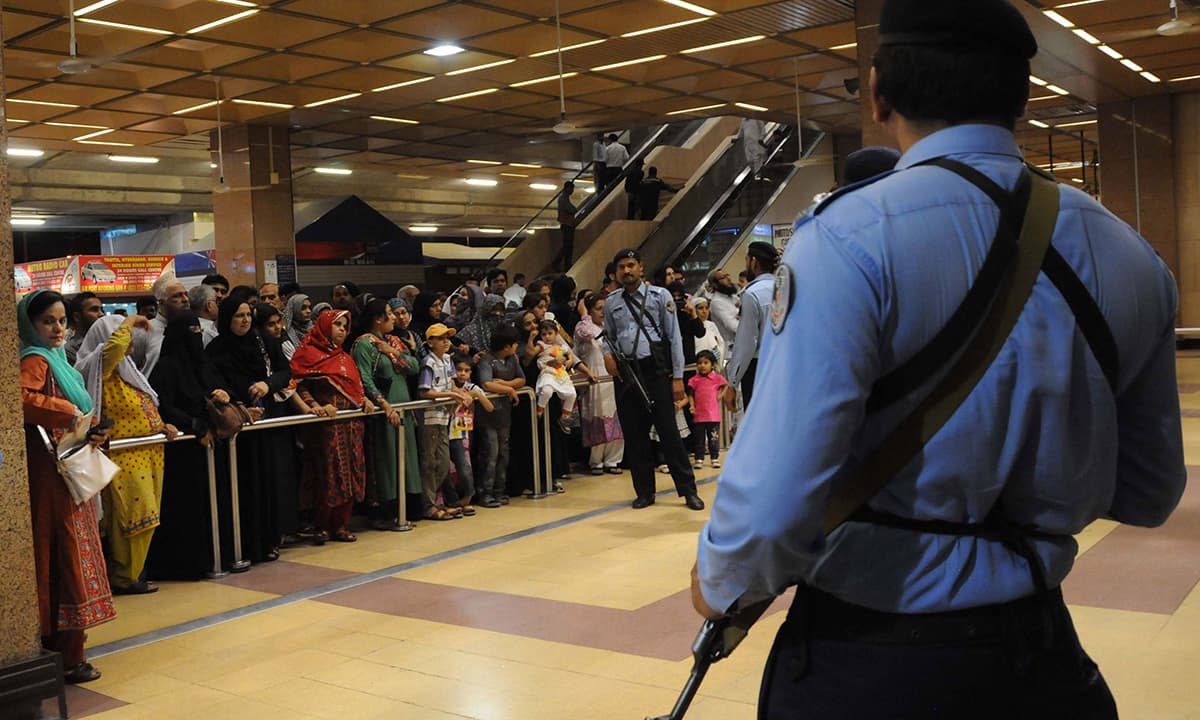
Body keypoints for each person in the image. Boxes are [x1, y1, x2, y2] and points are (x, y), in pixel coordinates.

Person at [693, 1, 1185, 717]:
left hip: (871, 656)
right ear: (1021, 96)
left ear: (877, 93)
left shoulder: (846, 237)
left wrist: (722, 585)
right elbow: (1150, 490)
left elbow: (773, 501)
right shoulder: (1130, 254)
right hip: (1042, 655)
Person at [19, 290, 115, 684]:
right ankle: (66, 653)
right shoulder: (36, 360)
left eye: (61, 321)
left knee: (71, 550)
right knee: (62, 553)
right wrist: (73, 412)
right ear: (30, 325)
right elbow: (22, 399)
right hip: (51, 475)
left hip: (66, 472)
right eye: (47, 321)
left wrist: (92, 429)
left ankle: (71, 649)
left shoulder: (60, 362)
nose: (58, 328)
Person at [74, 314, 175, 594]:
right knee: (133, 519)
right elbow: (114, 347)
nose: (130, 344)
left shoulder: (126, 371)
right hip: (123, 458)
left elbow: (146, 403)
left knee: (147, 518)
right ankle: (123, 577)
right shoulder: (98, 367)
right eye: (125, 337)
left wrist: (161, 425)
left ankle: (134, 573)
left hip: (147, 455)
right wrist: (130, 320)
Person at [602, 248, 703, 511]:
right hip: (626, 374)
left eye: (631, 265)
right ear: (617, 272)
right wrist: (607, 356)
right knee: (635, 437)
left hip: (655, 371)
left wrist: (678, 376)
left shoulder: (660, 296)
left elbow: (674, 338)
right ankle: (644, 492)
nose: (627, 270)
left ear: (641, 268)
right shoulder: (612, 301)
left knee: (669, 433)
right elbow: (608, 337)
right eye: (622, 266)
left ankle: (688, 490)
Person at [206, 299, 299, 562]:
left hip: (265, 421)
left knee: (268, 479)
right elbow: (214, 382)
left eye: (248, 315)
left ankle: (269, 539)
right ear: (226, 319)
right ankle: (243, 543)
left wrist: (267, 385)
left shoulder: (262, 341)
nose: (245, 320)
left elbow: (285, 370)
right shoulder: (216, 348)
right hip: (237, 424)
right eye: (238, 316)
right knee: (243, 483)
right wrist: (237, 399)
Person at [146, 311, 233, 581]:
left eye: (199, 330)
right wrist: (195, 426)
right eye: (190, 331)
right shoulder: (167, 367)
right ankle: (188, 563)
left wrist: (223, 393)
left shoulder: (204, 363)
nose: (196, 336)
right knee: (188, 507)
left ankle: (216, 555)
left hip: (211, 445)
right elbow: (165, 405)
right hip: (184, 451)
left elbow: (219, 386)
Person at [290, 309, 375, 543]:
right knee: (327, 473)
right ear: (325, 326)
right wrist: (315, 406)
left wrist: (364, 400)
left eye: (345, 326)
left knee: (351, 472)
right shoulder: (308, 354)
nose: (342, 330)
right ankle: (322, 525)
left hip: (351, 425)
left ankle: (341, 524)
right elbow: (298, 385)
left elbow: (355, 389)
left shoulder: (344, 358)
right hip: (325, 427)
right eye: (337, 324)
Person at [351, 298, 413, 531]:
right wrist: (384, 404)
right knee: (383, 461)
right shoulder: (363, 344)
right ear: (378, 319)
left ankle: (405, 507)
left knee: (403, 460)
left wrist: (393, 353)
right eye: (390, 313)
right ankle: (381, 511)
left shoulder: (393, 340)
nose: (395, 317)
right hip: (381, 413)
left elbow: (414, 366)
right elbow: (364, 379)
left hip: (404, 409)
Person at [417, 323, 470, 520]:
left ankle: (438, 501)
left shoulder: (448, 360)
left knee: (443, 462)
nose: (446, 341)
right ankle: (428, 505)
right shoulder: (428, 363)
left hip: (445, 417)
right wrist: (450, 394)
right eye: (440, 338)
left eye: (447, 337)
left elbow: (452, 383)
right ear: (430, 342)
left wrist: (460, 392)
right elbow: (425, 391)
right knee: (429, 463)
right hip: (429, 418)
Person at [724, 241, 778, 410]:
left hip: (759, 370)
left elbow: (747, 343)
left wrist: (732, 382)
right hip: (786, 366)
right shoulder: (787, 289)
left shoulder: (752, 294)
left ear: (754, 262)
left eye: (747, 259)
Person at [574, 293, 623, 475]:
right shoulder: (584, 327)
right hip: (595, 380)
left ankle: (613, 459)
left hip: (613, 379)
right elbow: (591, 334)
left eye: (605, 308)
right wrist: (584, 314)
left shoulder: (611, 326)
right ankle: (596, 461)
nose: (602, 312)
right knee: (598, 418)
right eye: (598, 308)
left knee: (616, 417)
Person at [476, 325, 525, 507]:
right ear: (506, 346)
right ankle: (485, 493)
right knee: (490, 453)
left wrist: (506, 384)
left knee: (503, 453)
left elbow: (522, 379)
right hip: (488, 415)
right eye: (514, 344)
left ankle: (500, 491)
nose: (515, 347)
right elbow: (486, 384)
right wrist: (510, 389)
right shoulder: (486, 360)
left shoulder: (512, 359)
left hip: (505, 414)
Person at [443, 355, 493, 514]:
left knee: (464, 467)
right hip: (444, 430)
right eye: (459, 370)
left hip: (461, 433)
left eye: (466, 370)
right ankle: (452, 501)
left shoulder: (472, 388)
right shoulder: (447, 387)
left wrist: (476, 396)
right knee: (446, 469)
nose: (462, 373)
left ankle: (468, 496)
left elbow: (489, 407)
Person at [535, 320, 594, 434]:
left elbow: (570, 354)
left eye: (550, 333)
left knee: (572, 394)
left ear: (556, 333)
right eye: (544, 334)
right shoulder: (541, 345)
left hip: (560, 373)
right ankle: (539, 410)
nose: (547, 337)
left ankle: (564, 418)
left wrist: (570, 360)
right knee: (547, 390)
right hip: (548, 371)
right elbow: (531, 352)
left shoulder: (561, 346)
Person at [141, 274, 190, 377]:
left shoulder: (194, 329)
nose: (185, 299)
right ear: (161, 303)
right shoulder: (145, 330)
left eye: (186, 294)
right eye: (177, 296)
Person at [686, 350, 725, 468]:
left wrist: (720, 396)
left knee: (713, 438)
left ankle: (714, 457)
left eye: (705, 362)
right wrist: (692, 406)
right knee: (699, 439)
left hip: (713, 416)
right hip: (699, 415)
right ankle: (699, 458)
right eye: (699, 363)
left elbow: (725, 385)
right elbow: (691, 394)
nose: (702, 365)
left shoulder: (717, 378)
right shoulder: (694, 380)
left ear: (712, 364)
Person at [65, 292, 104, 364]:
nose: (101, 314)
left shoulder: (104, 340)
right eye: (94, 310)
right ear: (77, 317)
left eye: (101, 310)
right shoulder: (69, 350)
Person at [691, 297, 725, 366]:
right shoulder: (690, 327)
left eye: (706, 308)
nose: (704, 311)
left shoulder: (711, 325)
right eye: (700, 308)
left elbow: (720, 344)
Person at [281, 292, 313, 360]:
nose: (308, 311)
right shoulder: (286, 333)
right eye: (303, 308)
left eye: (310, 308)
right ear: (295, 309)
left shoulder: (315, 330)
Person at [188, 283, 220, 347]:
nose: (218, 306)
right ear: (209, 305)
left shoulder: (188, 328)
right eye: (216, 302)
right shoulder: (210, 334)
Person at [558, 181, 577, 273]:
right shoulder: (563, 199)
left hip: (567, 223)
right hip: (567, 224)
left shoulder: (564, 198)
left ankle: (565, 263)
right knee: (568, 246)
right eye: (571, 188)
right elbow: (570, 208)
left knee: (568, 246)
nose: (572, 191)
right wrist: (575, 209)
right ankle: (564, 263)